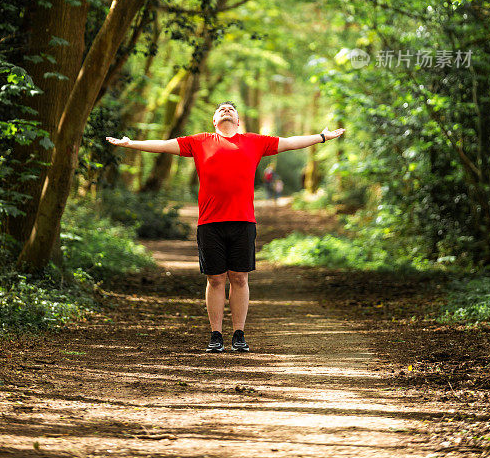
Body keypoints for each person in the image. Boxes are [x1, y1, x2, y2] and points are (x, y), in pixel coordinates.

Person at [106, 101, 345, 354]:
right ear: (214, 121)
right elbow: (165, 146)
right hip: (209, 222)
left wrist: (321, 137)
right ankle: (216, 335)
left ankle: (239, 334)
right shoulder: (199, 142)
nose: (226, 111)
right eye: (221, 110)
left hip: (243, 221)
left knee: (240, 278)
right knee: (215, 279)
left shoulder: (254, 141)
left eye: (231, 110)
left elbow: (289, 142)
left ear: (239, 121)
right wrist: (131, 144)